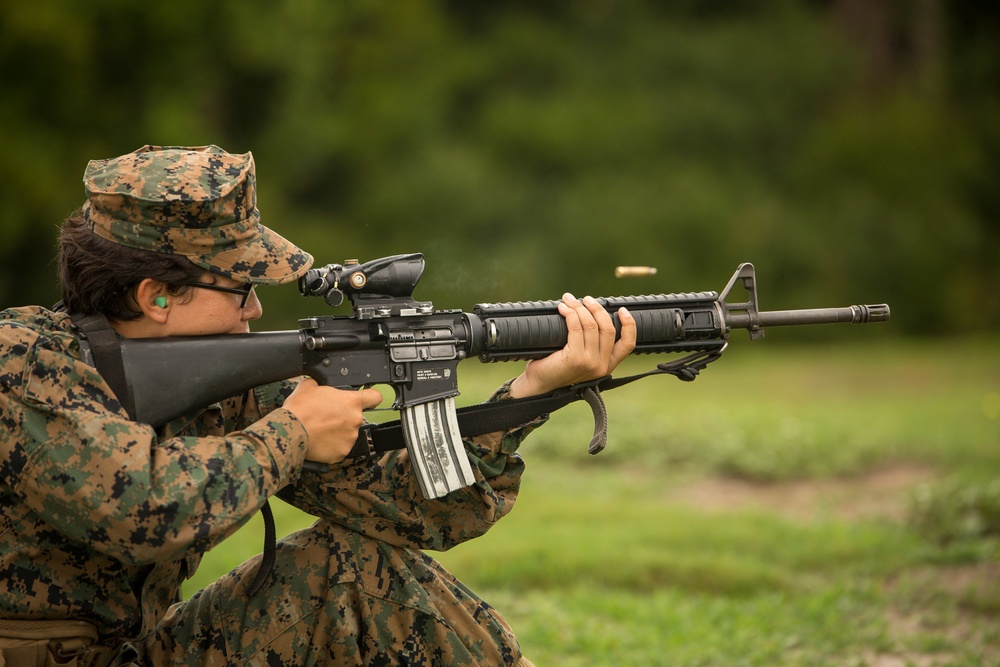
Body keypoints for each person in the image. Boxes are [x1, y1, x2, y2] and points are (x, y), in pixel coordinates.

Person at [0, 145, 636, 666]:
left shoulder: (228, 385)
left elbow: (422, 511)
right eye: (240, 287)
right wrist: (292, 434)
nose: (254, 309)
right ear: (156, 296)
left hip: (139, 654)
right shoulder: (21, 361)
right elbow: (138, 508)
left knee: (356, 563)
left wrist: (534, 392)